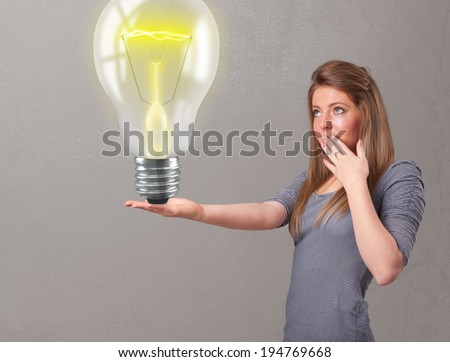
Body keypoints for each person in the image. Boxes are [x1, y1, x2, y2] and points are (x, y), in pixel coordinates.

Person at [125, 60, 425, 342]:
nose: (324, 124)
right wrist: (197, 211)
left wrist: (356, 181)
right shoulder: (312, 180)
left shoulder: (397, 176)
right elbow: (268, 213)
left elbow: (387, 269)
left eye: (338, 109)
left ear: (366, 113)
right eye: (317, 112)